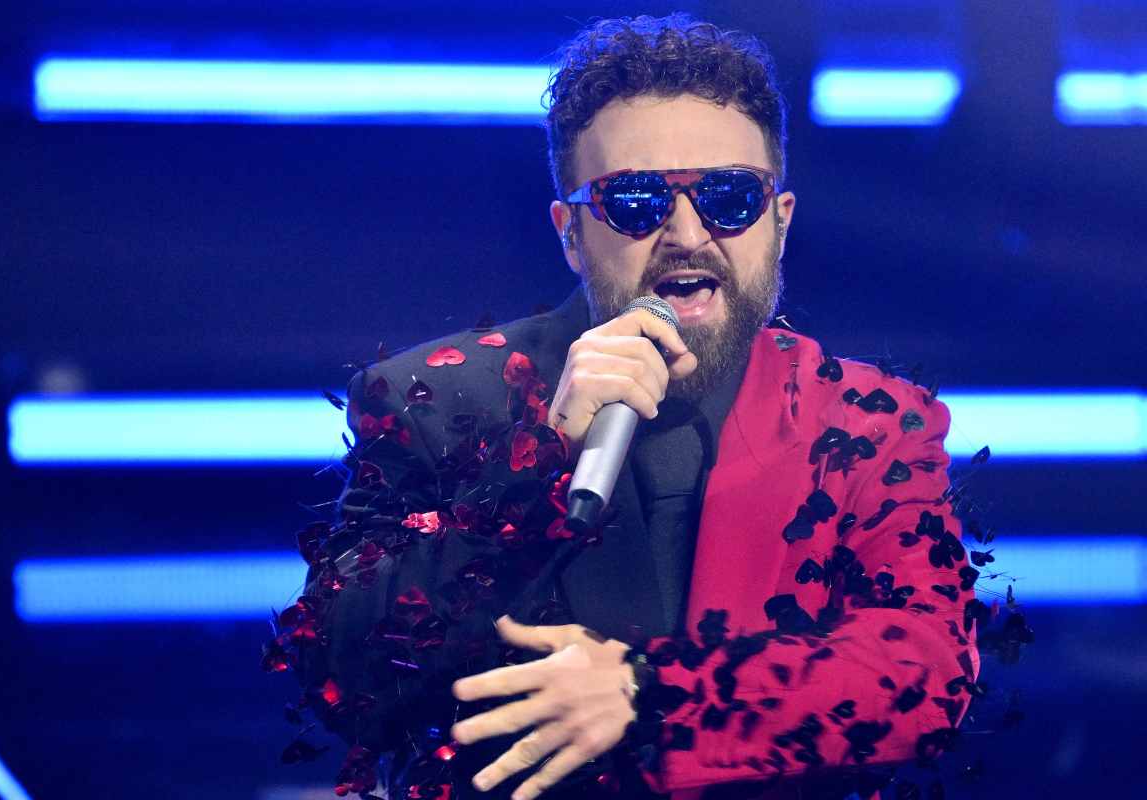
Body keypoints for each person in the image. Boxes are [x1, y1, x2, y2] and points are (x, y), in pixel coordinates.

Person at [266, 14, 988, 800]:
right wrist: (534, 467)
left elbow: (928, 668)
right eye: (636, 201)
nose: (686, 233)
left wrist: (651, 697)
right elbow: (343, 675)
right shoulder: (434, 400)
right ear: (571, 233)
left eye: (728, 196)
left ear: (780, 223)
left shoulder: (866, 423)